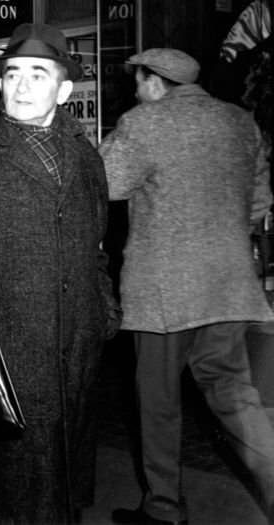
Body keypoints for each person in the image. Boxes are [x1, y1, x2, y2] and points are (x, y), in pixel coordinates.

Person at [0, 23, 119, 525]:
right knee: (17, 492)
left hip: (78, 341)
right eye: (13, 74)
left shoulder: (85, 157)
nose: (20, 87)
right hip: (8, 346)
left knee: (66, 484)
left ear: (64, 90)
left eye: (38, 75)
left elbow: (97, 244)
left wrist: (103, 314)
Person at [100, 48, 274, 525]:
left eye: (139, 82)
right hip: (230, 286)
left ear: (155, 82)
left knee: (158, 403)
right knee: (235, 396)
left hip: (164, 293)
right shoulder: (240, 122)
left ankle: (163, 508)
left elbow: (106, 183)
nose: (137, 92)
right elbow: (259, 200)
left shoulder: (144, 123)